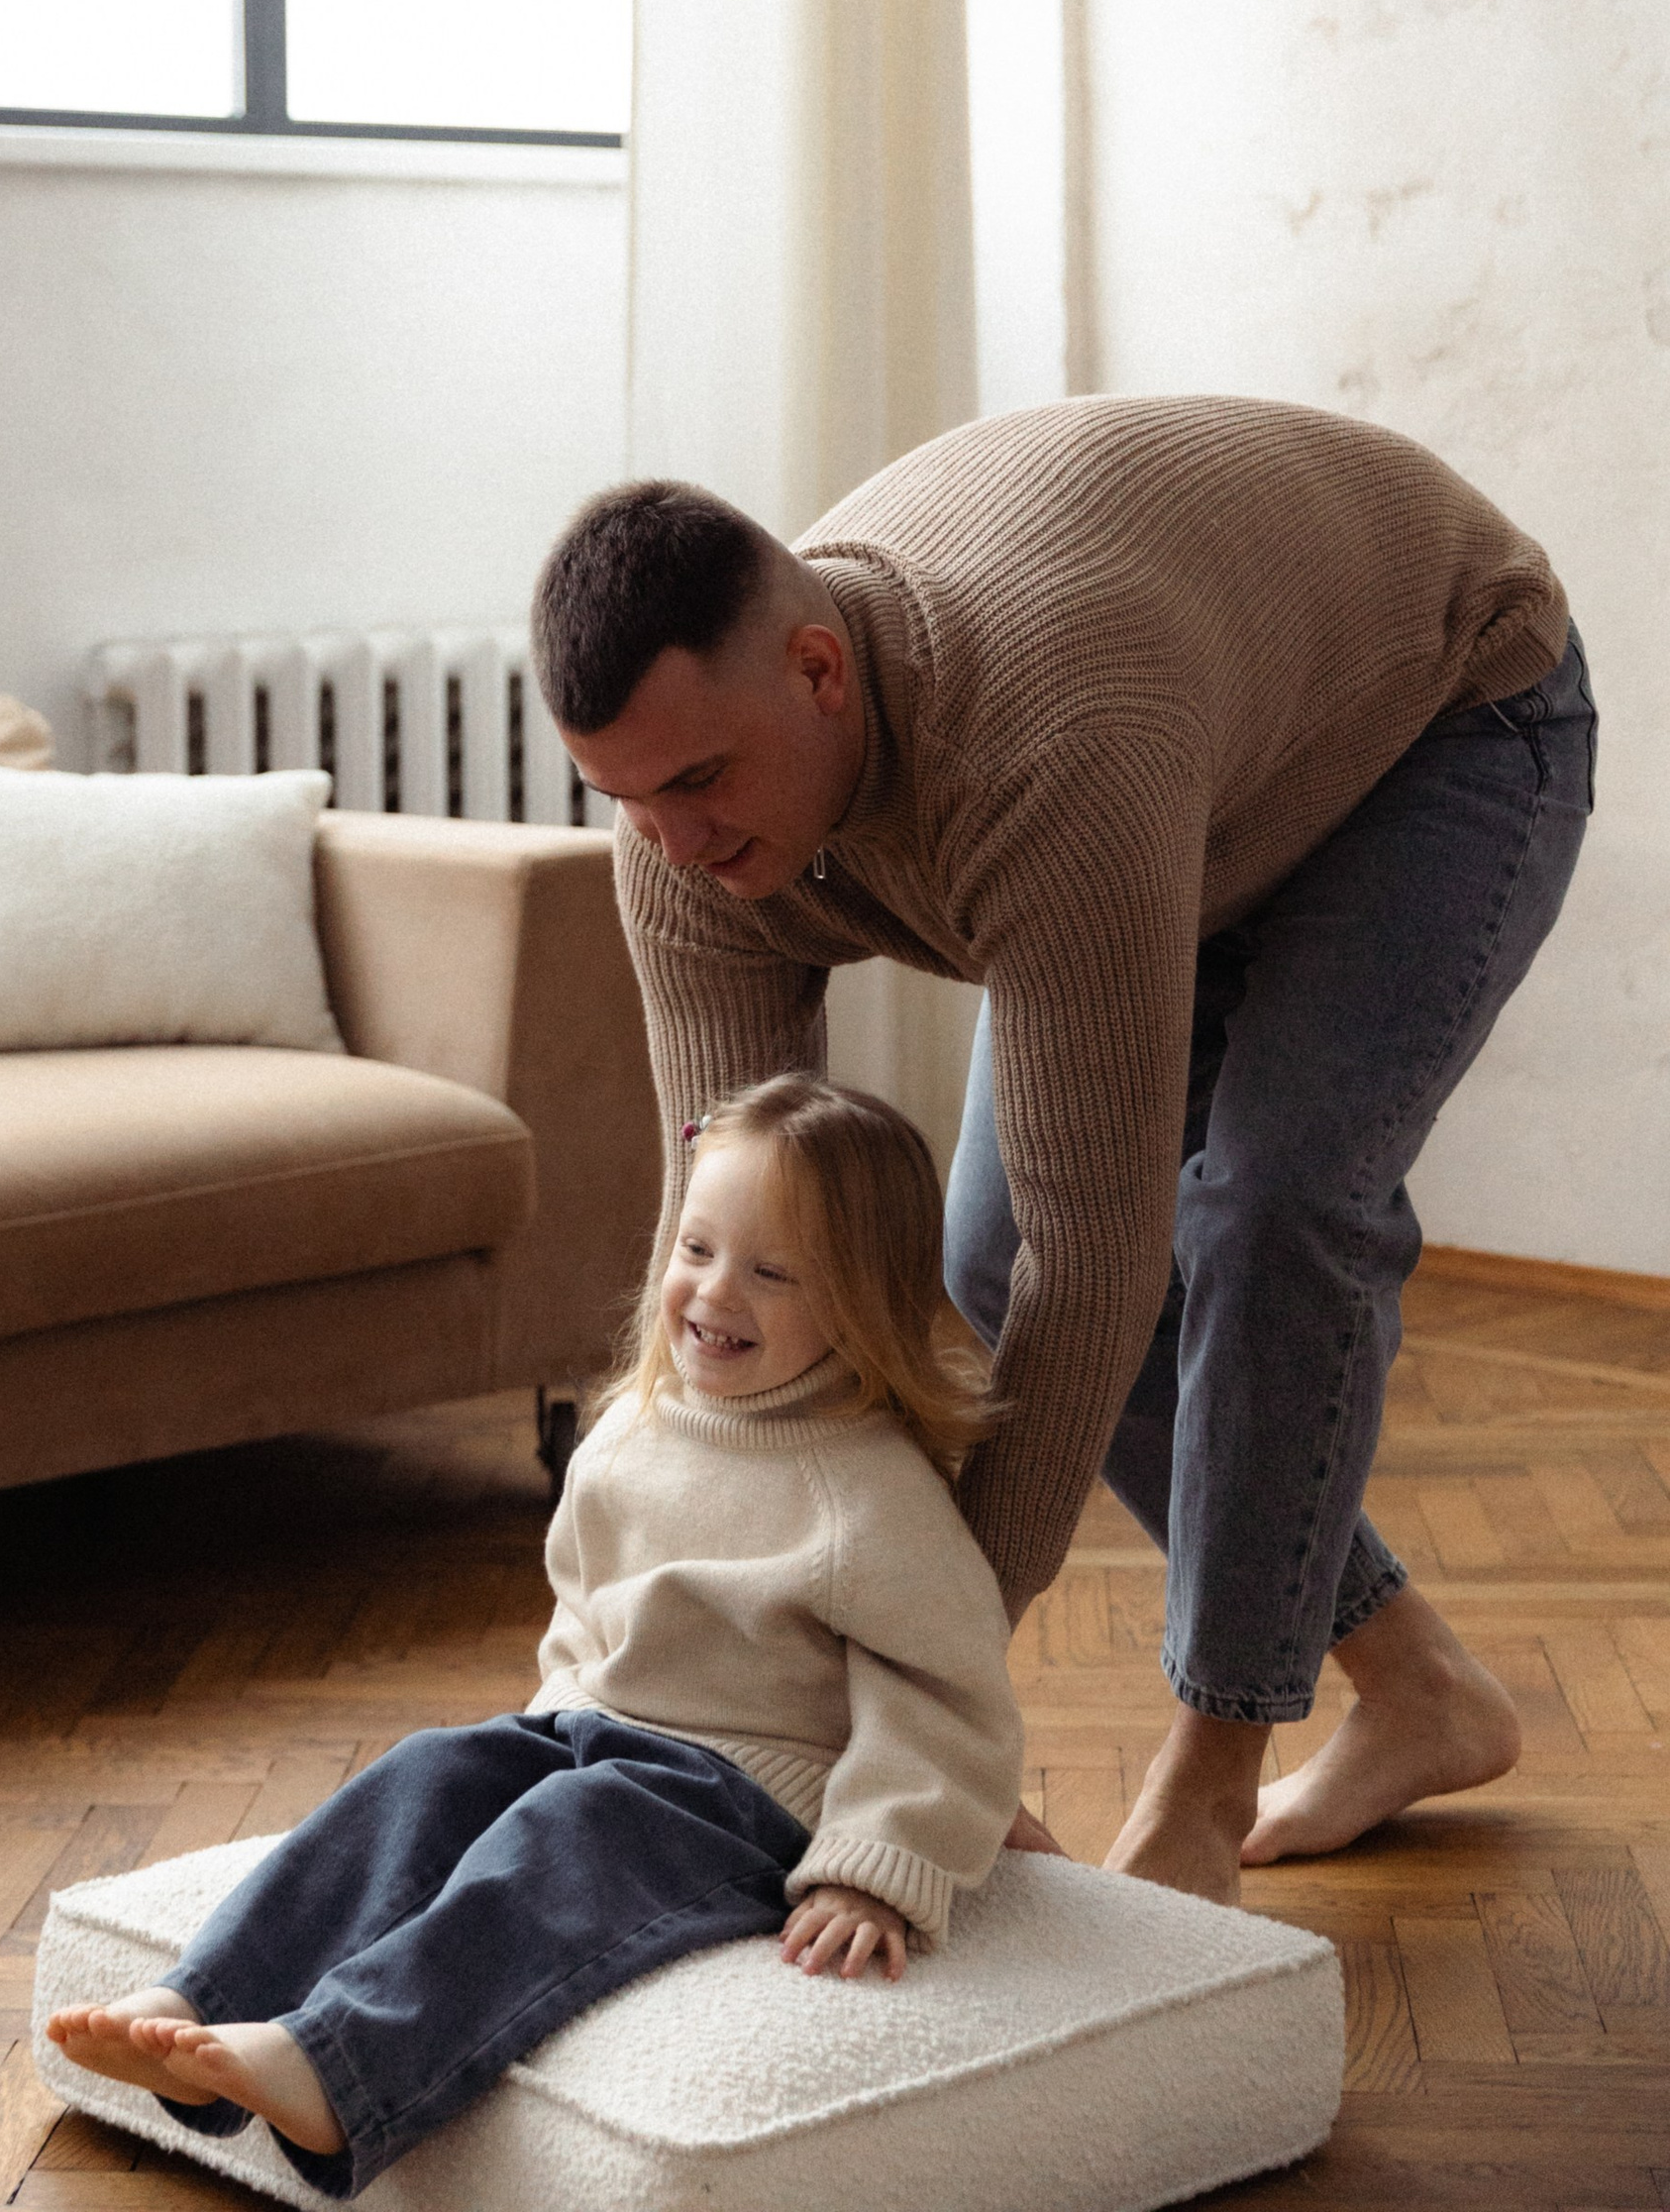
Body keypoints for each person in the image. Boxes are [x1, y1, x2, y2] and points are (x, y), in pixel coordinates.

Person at [528, 393, 1594, 1907]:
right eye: (625, 799)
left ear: (820, 670)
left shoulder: (1044, 743)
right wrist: (763, 1687)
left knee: (1269, 1207)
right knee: (971, 1263)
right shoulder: (680, 839)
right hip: (1193, 765)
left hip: (1439, 717)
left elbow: (1092, 1259)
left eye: (697, 781)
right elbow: (730, 1239)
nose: (672, 842)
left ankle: (1211, 1776)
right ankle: (1421, 1690)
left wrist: (924, 1694)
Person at [47, 1075, 1022, 2196]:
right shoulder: (629, 1438)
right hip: (593, 1733)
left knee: (568, 1837)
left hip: (739, 1803)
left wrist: (876, 1868)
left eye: (771, 1272)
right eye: (696, 1249)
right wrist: (534, 1740)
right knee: (429, 1772)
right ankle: (202, 2004)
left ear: (858, 1303)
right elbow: (581, 1608)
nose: (714, 1292)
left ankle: (343, 2066)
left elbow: (947, 1696)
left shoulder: (865, 1497)